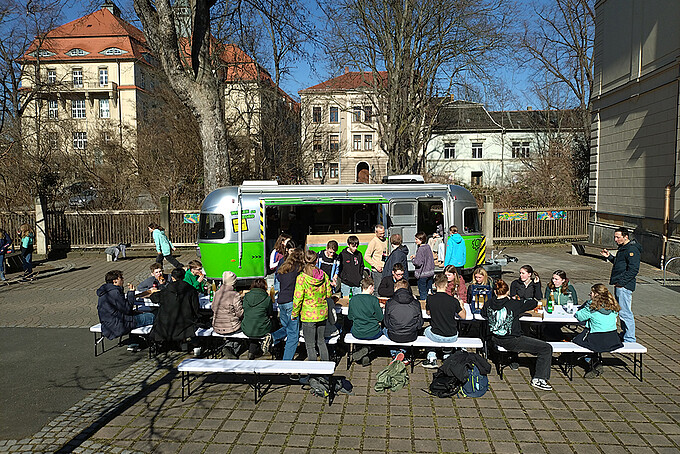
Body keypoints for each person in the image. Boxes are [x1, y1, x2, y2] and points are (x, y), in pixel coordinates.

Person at [483, 279, 553, 391]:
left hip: (495, 338)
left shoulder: (488, 303)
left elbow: (483, 313)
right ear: (507, 292)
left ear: (495, 292)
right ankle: (539, 379)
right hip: (512, 340)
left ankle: (515, 361)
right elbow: (533, 303)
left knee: (523, 335)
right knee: (546, 348)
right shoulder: (514, 304)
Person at [601, 227, 642, 343]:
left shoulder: (632, 249)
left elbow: (633, 270)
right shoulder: (623, 248)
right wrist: (609, 257)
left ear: (626, 237)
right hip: (620, 284)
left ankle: (630, 338)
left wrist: (621, 283)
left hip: (624, 286)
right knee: (621, 311)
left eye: (618, 237)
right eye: (615, 237)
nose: (615, 239)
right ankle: (625, 334)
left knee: (625, 312)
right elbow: (620, 264)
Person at [291, 250, 333, 362]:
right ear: (316, 260)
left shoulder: (301, 278)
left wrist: (294, 314)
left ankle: (313, 370)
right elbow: (329, 294)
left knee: (310, 346)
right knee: (321, 341)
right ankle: (326, 368)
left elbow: (298, 298)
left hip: (308, 315)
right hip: (322, 313)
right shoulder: (323, 275)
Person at [573, 284, 623, 378]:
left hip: (597, 338)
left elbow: (579, 316)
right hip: (612, 339)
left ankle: (592, 361)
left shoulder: (592, 307)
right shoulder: (613, 306)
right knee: (588, 341)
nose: (590, 295)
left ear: (596, 294)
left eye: (591, 293)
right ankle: (594, 360)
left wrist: (586, 305)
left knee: (576, 341)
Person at [423, 273, 466, 368]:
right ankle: (447, 354)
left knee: (425, 330)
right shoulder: (453, 300)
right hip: (452, 336)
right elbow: (463, 316)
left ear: (435, 285)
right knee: (450, 330)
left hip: (436, 335)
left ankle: (431, 357)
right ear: (446, 285)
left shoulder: (430, 298)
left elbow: (428, 313)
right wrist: (461, 305)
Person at [97, 270, 155, 340]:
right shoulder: (115, 292)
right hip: (119, 325)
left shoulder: (105, 292)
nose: (123, 280)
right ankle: (156, 340)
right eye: (121, 278)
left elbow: (119, 310)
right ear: (115, 281)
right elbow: (127, 310)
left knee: (138, 313)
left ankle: (133, 342)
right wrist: (131, 292)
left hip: (107, 325)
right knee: (152, 316)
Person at [149, 267, 200, 346]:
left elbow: (154, 298)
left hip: (166, 325)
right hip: (185, 324)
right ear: (184, 277)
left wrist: (160, 287)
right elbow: (196, 308)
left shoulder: (167, 290)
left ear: (172, 278)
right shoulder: (191, 290)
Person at [271, 247, 304, 360]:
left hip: (281, 301)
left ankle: (273, 337)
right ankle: (286, 362)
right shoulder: (299, 269)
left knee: (286, 327)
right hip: (291, 302)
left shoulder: (283, 268)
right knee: (293, 335)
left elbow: (278, 279)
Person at [383, 279, 424, 362]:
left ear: (395, 288)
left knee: (383, 329)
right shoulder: (416, 303)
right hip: (411, 335)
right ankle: (401, 351)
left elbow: (386, 322)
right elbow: (420, 323)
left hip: (394, 335)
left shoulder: (390, 302)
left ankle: (395, 353)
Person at [348, 277, 383, 365]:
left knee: (352, 327)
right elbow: (380, 318)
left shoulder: (353, 299)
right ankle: (368, 349)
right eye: (373, 287)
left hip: (357, 332)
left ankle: (363, 352)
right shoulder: (374, 300)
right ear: (370, 286)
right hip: (373, 332)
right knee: (380, 330)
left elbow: (350, 317)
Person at [211, 271, 245, 357]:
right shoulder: (234, 295)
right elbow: (239, 314)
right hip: (232, 327)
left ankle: (228, 346)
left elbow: (213, 308)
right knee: (244, 327)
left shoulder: (217, 293)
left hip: (217, 326)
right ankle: (230, 347)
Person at [242, 278, 275, 359]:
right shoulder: (267, 298)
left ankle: (253, 350)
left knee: (255, 324)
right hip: (261, 329)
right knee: (273, 322)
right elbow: (270, 313)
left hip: (246, 328)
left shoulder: (246, 297)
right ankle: (274, 348)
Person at [411, 231, 435, 301]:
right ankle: (431, 304)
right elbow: (426, 257)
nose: (415, 241)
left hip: (422, 274)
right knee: (429, 291)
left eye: (416, 239)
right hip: (430, 273)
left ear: (421, 240)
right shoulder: (428, 247)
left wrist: (413, 259)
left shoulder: (420, 249)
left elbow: (418, 263)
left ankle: (424, 305)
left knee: (423, 293)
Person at [365, 224, 388, 296]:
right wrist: (376, 266)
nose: (382, 235)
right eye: (380, 233)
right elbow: (366, 256)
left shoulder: (386, 240)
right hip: (377, 271)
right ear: (376, 232)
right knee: (377, 290)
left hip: (385, 269)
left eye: (383, 233)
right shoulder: (373, 242)